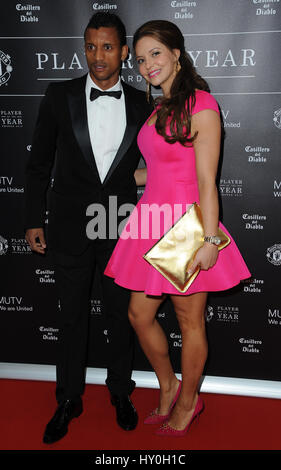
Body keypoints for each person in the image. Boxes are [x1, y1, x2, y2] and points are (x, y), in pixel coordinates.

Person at [104, 20, 251, 437]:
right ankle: (168, 385)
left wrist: (209, 238)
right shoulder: (158, 110)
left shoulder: (202, 104)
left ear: (176, 54)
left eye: (155, 53)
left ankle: (188, 401)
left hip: (187, 225)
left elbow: (207, 180)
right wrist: (101, 178)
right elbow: (153, 174)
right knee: (138, 314)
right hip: (150, 220)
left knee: (190, 323)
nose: (147, 64)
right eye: (140, 59)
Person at [24, 12, 152, 444]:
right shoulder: (58, 96)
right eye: (92, 47)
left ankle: (120, 392)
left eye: (109, 47)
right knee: (72, 318)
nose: (99, 57)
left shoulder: (141, 103)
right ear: (84, 49)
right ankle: (68, 399)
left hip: (119, 226)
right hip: (67, 227)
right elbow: (38, 164)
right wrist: (31, 220)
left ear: (123, 51)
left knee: (120, 316)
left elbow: (155, 168)